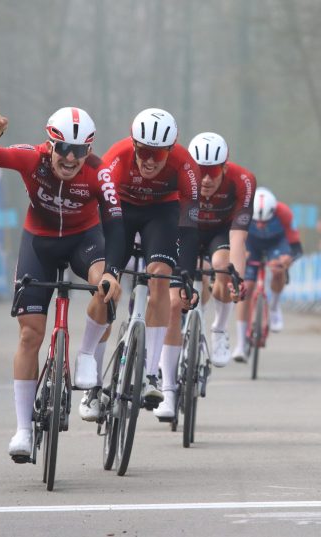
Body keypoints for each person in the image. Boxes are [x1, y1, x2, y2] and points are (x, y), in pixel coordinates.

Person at [0, 108, 124, 461]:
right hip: (39, 243)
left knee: (106, 288)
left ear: (89, 150)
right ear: (50, 144)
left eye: (78, 151)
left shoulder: (100, 173)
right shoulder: (32, 158)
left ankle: (87, 355)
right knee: (29, 335)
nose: (70, 158)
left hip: (85, 241)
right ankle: (23, 429)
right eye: (63, 148)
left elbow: (116, 226)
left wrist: (112, 272)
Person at [94, 107, 200, 419]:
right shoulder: (116, 158)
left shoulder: (186, 165)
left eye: (158, 154)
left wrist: (186, 274)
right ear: (133, 145)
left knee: (161, 277)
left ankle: (151, 374)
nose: (150, 161)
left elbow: (190, 226)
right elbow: (100, 213)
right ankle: (93, 385)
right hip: (120, 212)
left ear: (171, 150)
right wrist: (109, 266)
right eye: (143, 152)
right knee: (106, 285)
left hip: (161, 214)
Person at [153, 132, 255, 420]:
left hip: (219, 233)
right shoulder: (181, 175)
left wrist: (237, 278)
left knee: (223, 265)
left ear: (225, 167)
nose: (206, 179)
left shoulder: (243, 181)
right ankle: (168, 391)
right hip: (186, 230)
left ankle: (219, 329)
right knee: (174, 303)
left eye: (213, 172)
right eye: (201, 171)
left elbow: (238, 237)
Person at [231, 187, 302, 360]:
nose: (261, 225)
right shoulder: (241, 211)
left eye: (265, 222)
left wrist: (288, 259)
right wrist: (239, 253)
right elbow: (232, 238)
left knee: (278, 269)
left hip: (276, 244)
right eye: (258, 221)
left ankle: (275, 306)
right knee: (246, 287)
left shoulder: (284, 213)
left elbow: (296, 247)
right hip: (251, 243)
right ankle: (240, 344)